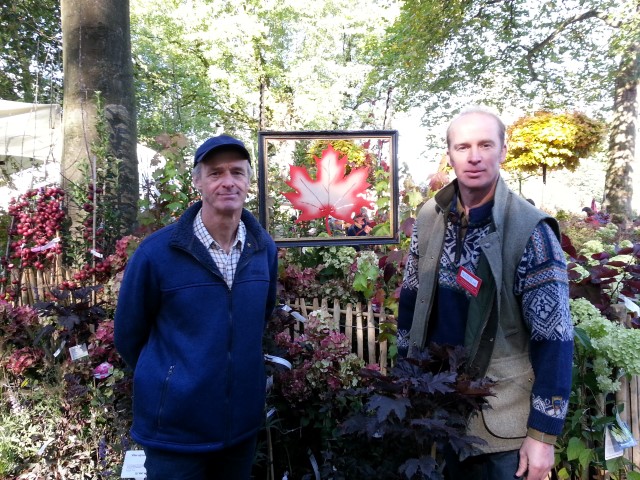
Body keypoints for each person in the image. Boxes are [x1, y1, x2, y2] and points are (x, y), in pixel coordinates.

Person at [396, 107, 573, 480]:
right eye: (462, 147)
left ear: (503, 151)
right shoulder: (430, 218)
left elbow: (554, 339)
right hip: (440, 412)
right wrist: (405, 381)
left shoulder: (531, 232)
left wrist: (543, 434)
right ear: (450, 155)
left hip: (502, 426)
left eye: (485, 145)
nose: (473, 156)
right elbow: (411, 303)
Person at [114, 134, 278, 480]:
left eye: (237, 171)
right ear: (197, 182)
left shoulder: (264, 250)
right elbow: (129, 335)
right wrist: (174, 380)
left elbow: (260, 318)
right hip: (175, 431)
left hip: (240, 428)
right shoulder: (157, 254)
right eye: (216, 173)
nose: (228, 181)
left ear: (249, 180)